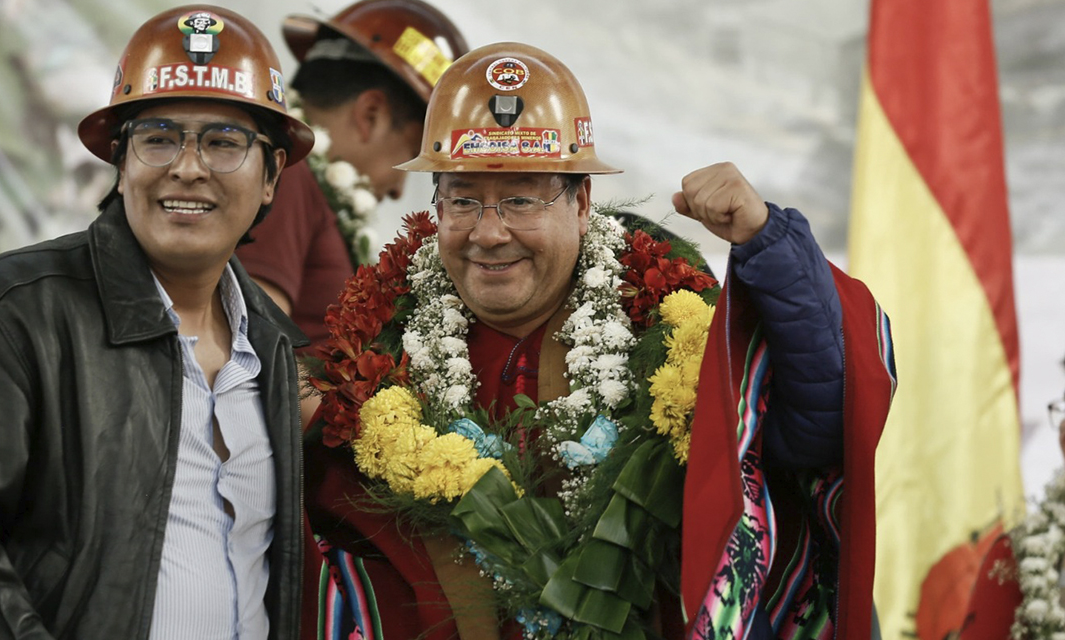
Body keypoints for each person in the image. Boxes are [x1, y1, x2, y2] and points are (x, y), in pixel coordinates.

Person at [302, 43, 896, 639]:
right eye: (461, 199)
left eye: (519, 199)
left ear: (582, 203)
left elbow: (820, 421)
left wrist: (768, 242)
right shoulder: (377, 360)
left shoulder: (670, 327)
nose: (487, 232)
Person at [0, 6, 315, 638]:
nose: (188, 166)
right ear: (121, 162)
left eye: (223, 141)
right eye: (158, 137)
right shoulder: (6, 312)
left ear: (270, 177)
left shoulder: (279, 350)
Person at [235, 0, 468, 355]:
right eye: (410, 153)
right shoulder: (286, 177)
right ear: (370, 115)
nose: (397, 190)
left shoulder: (300, 186)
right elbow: (253, 355)